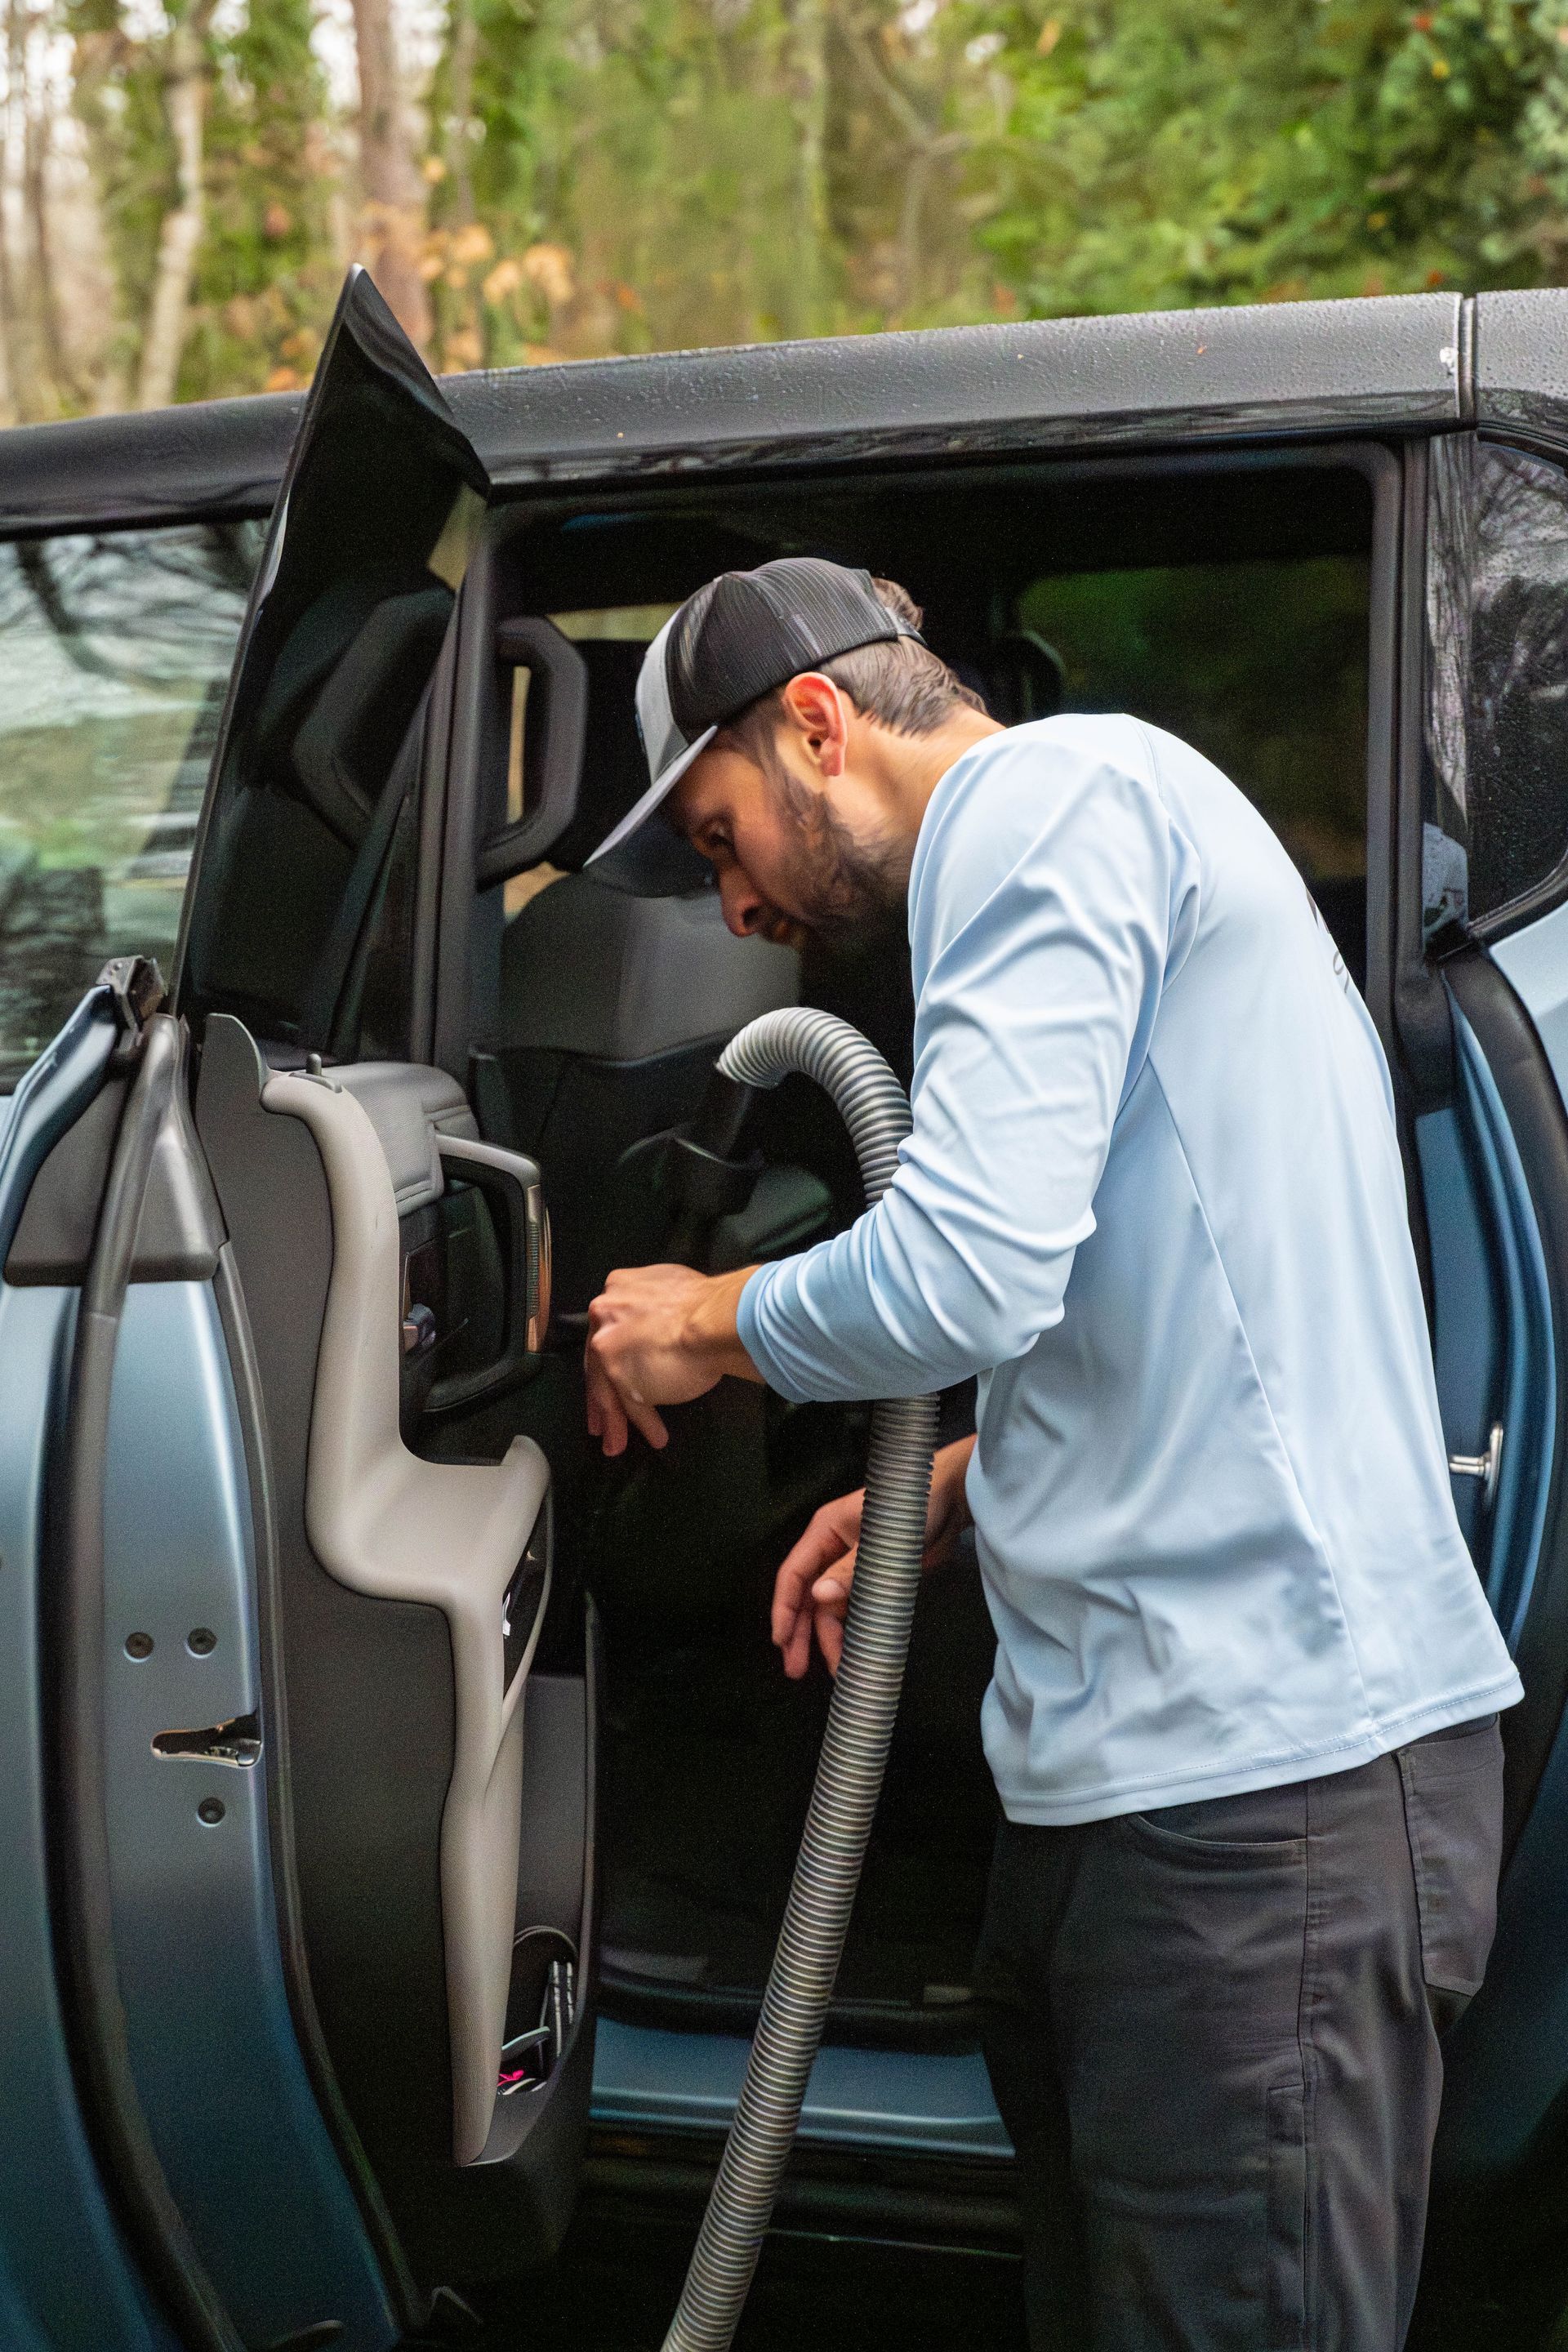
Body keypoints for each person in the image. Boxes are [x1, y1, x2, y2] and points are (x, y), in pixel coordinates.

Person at [580, 556, 1522, 2350]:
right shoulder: (1064, 841)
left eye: (718, 842)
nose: (738, 906)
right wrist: (959, 1482)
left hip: (1263, 1808)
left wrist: (699, 1323)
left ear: (817, 723)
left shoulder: (1046, 805)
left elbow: (971, 1263)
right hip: (1148, 1799)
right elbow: (1148, 1262)